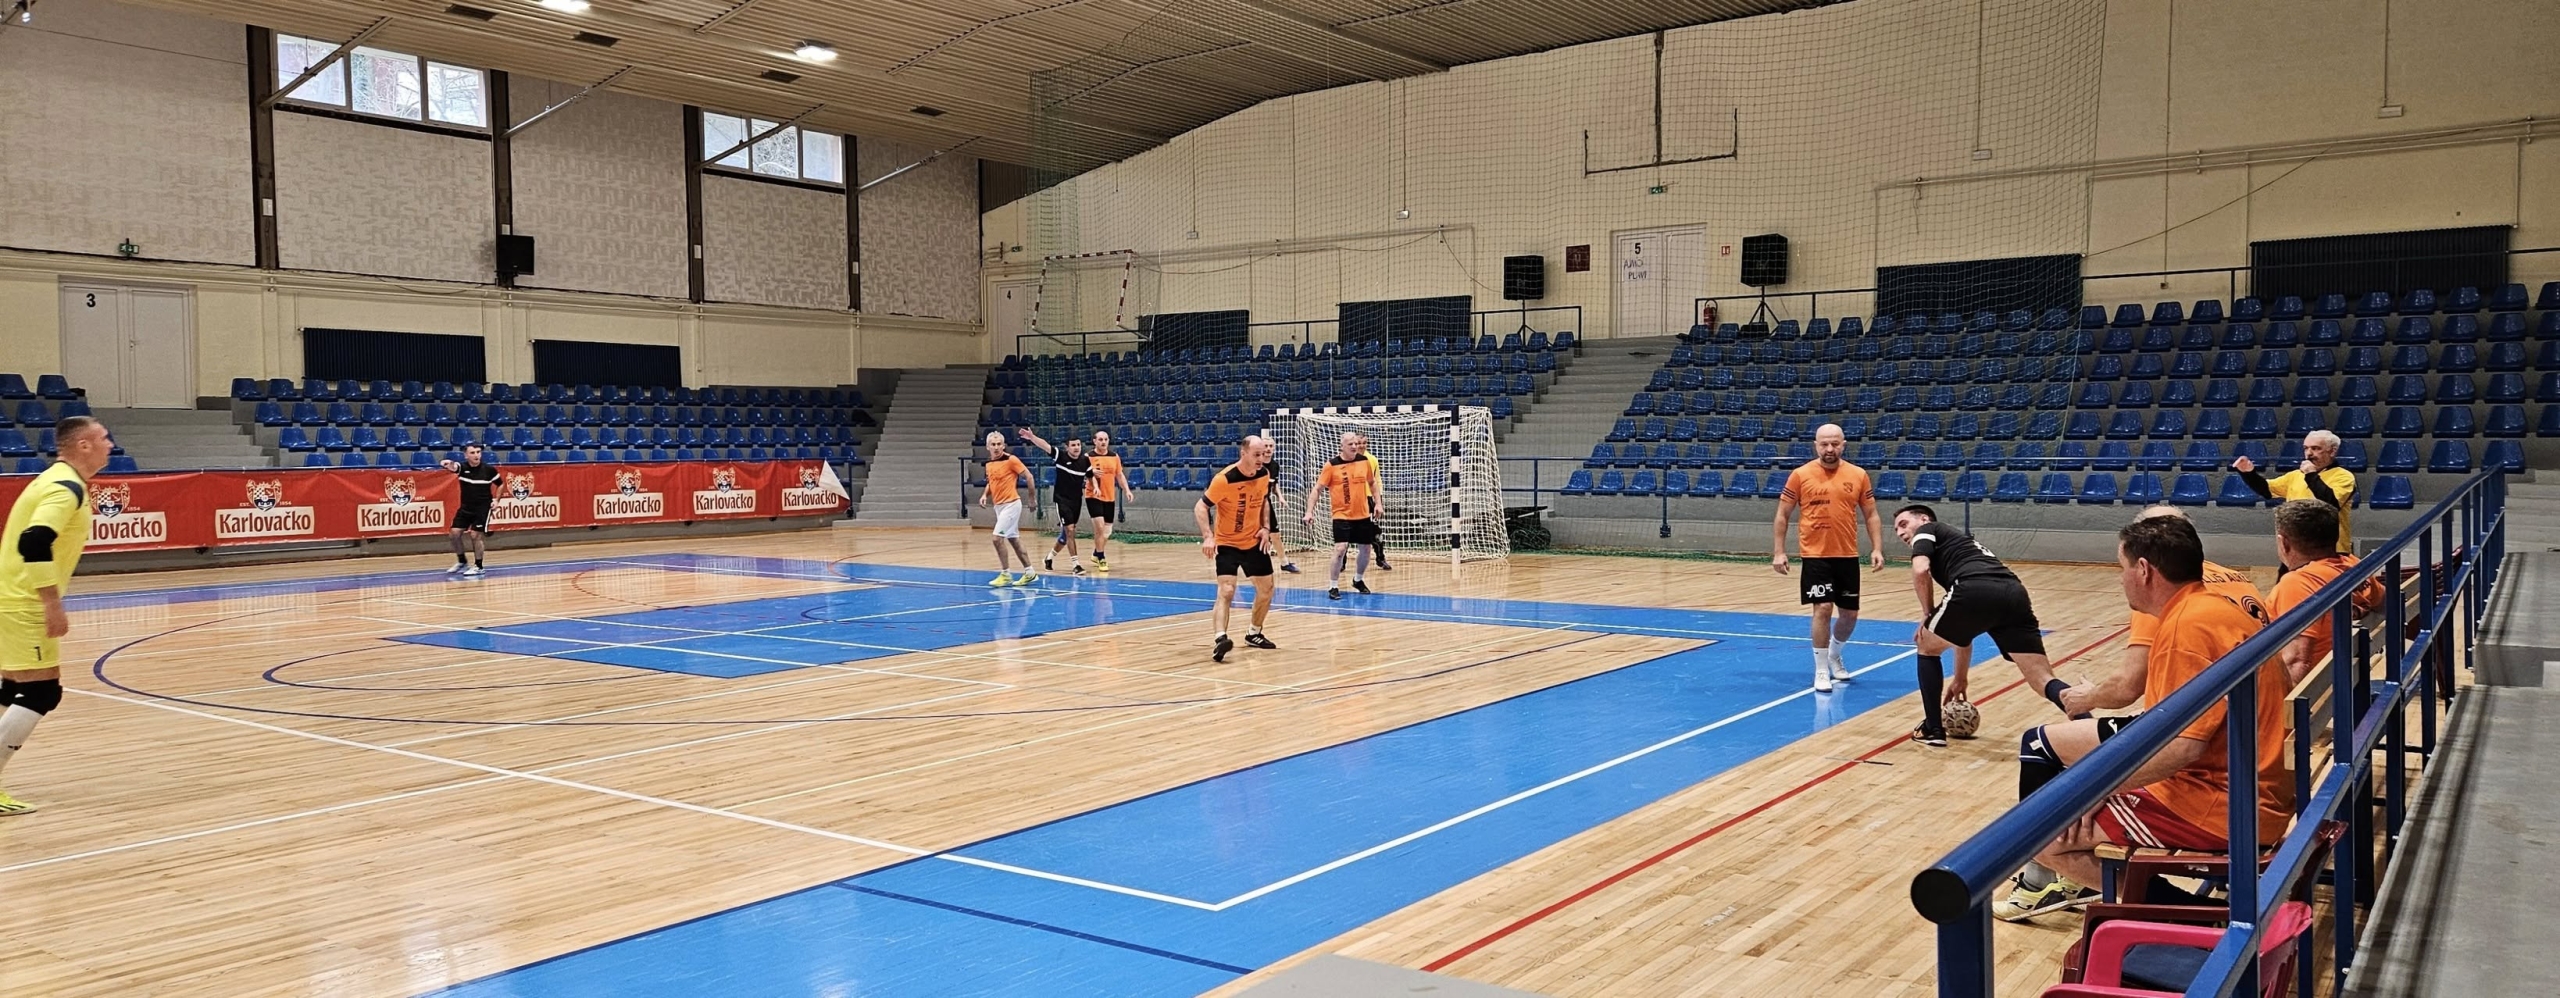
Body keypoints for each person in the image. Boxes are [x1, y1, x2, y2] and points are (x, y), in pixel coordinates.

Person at [1997, 514, 2293, 921]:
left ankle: (2196, 915)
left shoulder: (2185, 628)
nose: (2120, 579)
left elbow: (2183, 748)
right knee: (2065, 800)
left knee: (2038, 834)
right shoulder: (2212, 607)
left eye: (2121, 568)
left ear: (2143, 570)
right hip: (2253, 784)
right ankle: (2191, 911)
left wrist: (2097, 788)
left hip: (2224, 804)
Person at [0, 416, 114, 816]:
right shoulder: (65, 487)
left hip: (10, 595)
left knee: (11, 688)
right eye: (103, 438)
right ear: (83, 445)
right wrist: (51, 602)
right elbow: (34, 541)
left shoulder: (55, 480)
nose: (110, 444)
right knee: (40, 692)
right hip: (24, 601)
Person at [2058, 506, 2267, 719]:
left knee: (2047, 736)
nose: (2121, 579)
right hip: (2250, 709)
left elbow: (2129, 686)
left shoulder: (2166, 601)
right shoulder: (2236, 578)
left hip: (2231, 724)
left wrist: (2088, 697)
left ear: (2144, 565)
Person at [1891, 504, 2069, 746]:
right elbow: (1963, 632)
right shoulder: (1960, 546)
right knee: (2042, 680)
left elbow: (1921, 569)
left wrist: (1927, 613)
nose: (1900, 533)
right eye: (1896, 530)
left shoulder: (1928, 529)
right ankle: (2090, 727)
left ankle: (1933, 728)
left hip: (1973, 587)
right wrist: (1960, 678)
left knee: (1925, 644)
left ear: (1923, 519)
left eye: (1903, 525)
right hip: (2014, 592)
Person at [1772, 423, 1886, 692]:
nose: (1830, 449)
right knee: (1823, 608)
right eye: (1824, 444)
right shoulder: (1800, 475)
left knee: (1849, 615)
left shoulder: (1858, 475)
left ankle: (1835, 654)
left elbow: (1871, 514)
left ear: (1843, 445)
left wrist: (1877, 548)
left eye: (1835, 443)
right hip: (1815, 555)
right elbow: (1782, 515)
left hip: (1847, 555)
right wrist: (1779, 551)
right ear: (1816, 445)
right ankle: (1821, 669)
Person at [2267, 500, 2386, 685]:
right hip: (2344, 674)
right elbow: (2385, 603)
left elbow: (2297, 662)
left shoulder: (2297, 584)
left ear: (2284, 543)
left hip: (2319, 689)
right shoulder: (2353, 565)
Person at [1198, 435, 1282, 662]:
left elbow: (1264, 501)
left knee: (1266, 590)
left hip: (1254, 541)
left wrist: (1265, 527)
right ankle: (1220, 638)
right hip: (1227, 543)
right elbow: (1201, 507)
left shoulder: (1264, 474)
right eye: (1256, 455)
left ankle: (1254, 633)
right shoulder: (1224, 479)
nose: (1261, 459)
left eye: (1263, 454)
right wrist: (1208, 536)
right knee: (1227, 590)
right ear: (1243, 454)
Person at [2232, 429, 2356, 556]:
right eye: (2306, 448)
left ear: (2332, 451)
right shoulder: (2296, 475)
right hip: (2296, 549)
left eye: (2316, 448)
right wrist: (2248, 473)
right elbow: (2266, 490)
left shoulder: (2343, 476)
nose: (2309, 453)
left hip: (2330, 549)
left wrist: (2311, 475)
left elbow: (2331, 504)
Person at [1302, 431, 1384, 600]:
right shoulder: (1331, 466)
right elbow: (1317, 489)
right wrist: (1309, 511)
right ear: (1342, 446)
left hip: (1362, 513)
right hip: (1341, 514)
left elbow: (1372, 483)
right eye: (1350, 444)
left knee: (1366, 549)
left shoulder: (1364, 461)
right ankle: (1333, 586)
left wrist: (1378, 503)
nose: (1354, 446)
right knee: (1340, 548)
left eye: (1356, 443)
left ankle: (1358, 580)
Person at [1018, 429, 1091, 575]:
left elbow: (1091, 476)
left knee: (1065, 536)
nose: (1076, 447)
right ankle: (1076, 565)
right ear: (1067, 447)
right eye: (1073, 445)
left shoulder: (1085, 461)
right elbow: (1045, 446)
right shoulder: (1061, 456)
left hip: (1076, 500)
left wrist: (1096, 487)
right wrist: (1032, 437)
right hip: (1061, 499)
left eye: (1078, 445)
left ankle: (1049, 558)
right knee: (1070, 530)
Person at [978, 432, 1034, 587]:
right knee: (1014, 539)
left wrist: (1031, 498)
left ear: (1003, 446)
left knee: (997, 539)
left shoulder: (1011, 460)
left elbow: (1029, 477)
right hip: (999, 506)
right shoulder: (989, 464)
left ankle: (1006, 574)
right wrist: (985, 495)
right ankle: (1030, 572)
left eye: (999, 444)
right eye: (993, 444)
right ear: (988, 447)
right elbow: (991, 482)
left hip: (1011, 504)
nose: (996, 447)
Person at [439, 443, 500, 577]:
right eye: (472, 453)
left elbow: (500, 484)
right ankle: (462, 561)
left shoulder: (489, 470)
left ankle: (479, 566)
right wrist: (448, 463)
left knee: (475, 535)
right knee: (454, 534)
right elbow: (454, 467)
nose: (476, 455)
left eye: (478, 452)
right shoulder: (463, 468)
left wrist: (496, 500)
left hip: (482, 508)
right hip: (466, 507)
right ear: (466, 455)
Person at [1084, 431, 1135, 575]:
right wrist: (1091, 475)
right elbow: (1082, 473)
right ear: (1094, 441)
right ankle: (1101, 558)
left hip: (1109, 497)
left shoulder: (1114, 456)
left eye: (1106, 439)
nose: (1103, 442)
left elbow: (1119, 475)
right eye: (1100, 439)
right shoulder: (1088, 457)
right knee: (1099, 528)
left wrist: (1127, 490)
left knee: (1107, 532)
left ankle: (1096, 553)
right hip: (1093, 496)